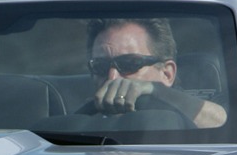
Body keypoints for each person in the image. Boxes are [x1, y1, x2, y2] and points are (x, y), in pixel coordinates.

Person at [83, 18, 227, 127]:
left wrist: (155, 91)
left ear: (167, 74)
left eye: (130, 63)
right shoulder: (80, 128)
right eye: (100, 66)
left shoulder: (185, 121)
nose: (112, 77)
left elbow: (222, 124)